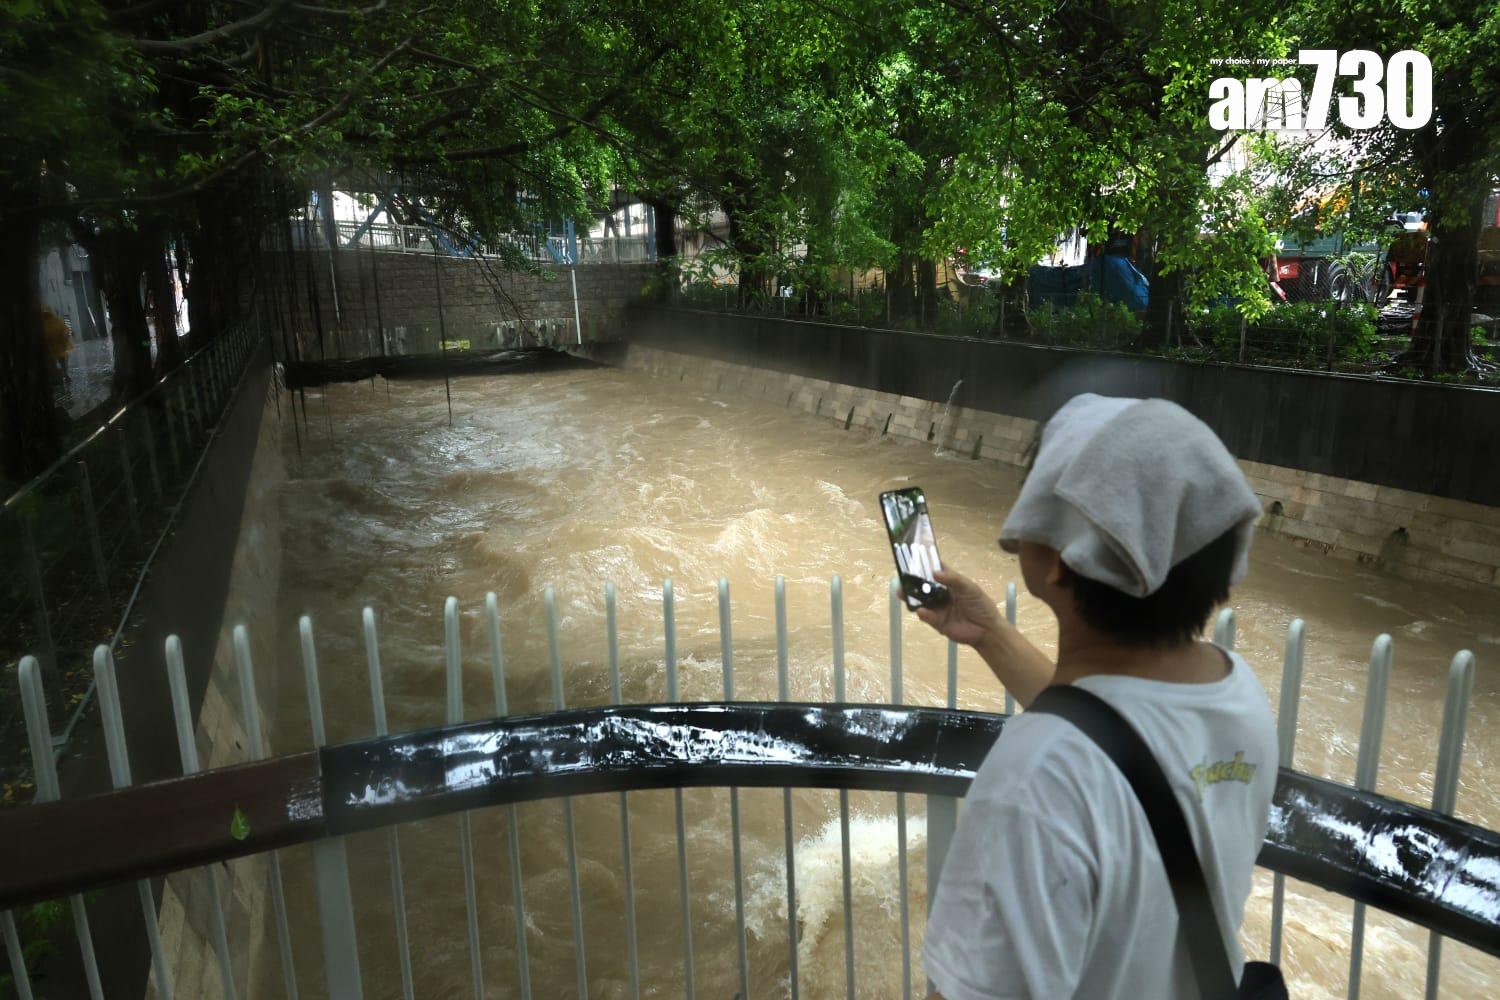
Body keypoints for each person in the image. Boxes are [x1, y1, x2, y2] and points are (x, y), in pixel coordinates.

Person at [919, 392, 1279, 999]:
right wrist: (992, 636)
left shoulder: (1031, 781)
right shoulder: (1235, 693)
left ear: (1059, 558)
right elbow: (1118, 735)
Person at [40, 305, 73, 385]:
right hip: (56, 348)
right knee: (61, 362)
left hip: (54, 348)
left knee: (58, 362)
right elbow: (65, 330)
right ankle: (63, 376)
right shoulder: (55, 321)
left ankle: (62, 376)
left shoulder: (47, 323)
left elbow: (65, 330)